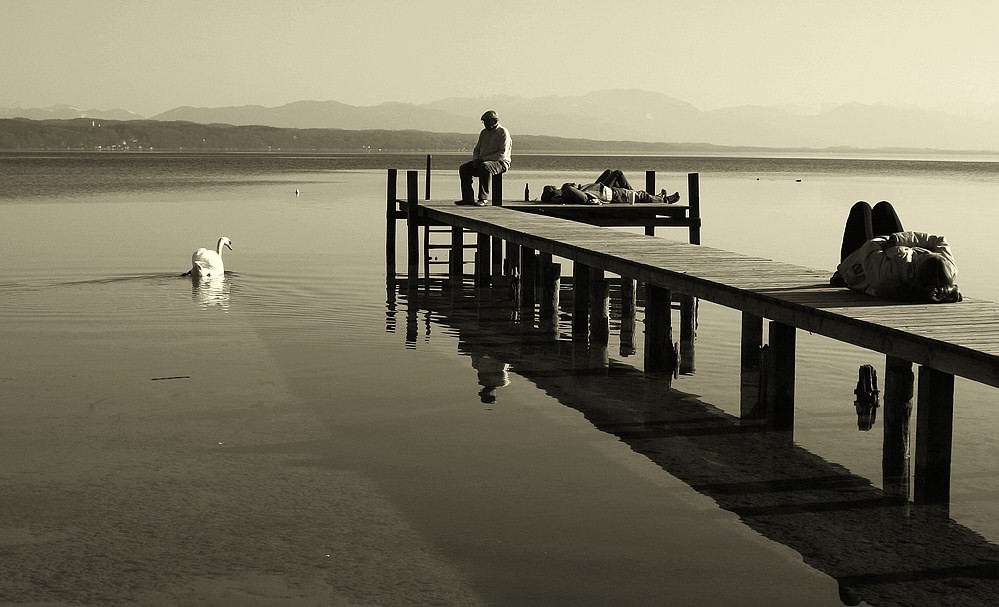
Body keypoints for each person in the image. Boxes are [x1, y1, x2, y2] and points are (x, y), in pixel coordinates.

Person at [832, 200, 961, 303]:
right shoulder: (948, 268)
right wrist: (898, 239)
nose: (922, 253)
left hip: (857, 265)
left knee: (861, 208)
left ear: (917, 270)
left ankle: (841, 274)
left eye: (921, 257)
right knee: (884, 207)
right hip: (887, 251)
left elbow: (869, 246)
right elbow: (938, 240)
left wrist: (891, 244)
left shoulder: (887, 278)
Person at [455, 110, 512, 206]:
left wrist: (483, 160)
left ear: (495, 121)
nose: (484, 124)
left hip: (501, 163)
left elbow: (502, 154)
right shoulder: (484, 133)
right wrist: (476, 160)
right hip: (482, 162)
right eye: (483, 122)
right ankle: (468, 198)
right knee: (464, 168)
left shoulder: (503, 132)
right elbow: (476, 149)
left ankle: (483, 198)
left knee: (485, 167)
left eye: (486, 121)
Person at [540, 169, 680, 205]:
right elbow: (574, 194)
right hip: (609, 194)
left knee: (610, 173)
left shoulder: (564, 194)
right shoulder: (565, 193)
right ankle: (664, 200)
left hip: (601, 189)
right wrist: (567, 187)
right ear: (554, 192)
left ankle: (655, 198)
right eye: (555, 187)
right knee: (641, 195)